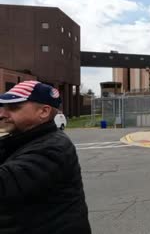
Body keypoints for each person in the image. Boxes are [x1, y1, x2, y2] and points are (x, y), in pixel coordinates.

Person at [0, 81, 91, 234]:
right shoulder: (22, 139)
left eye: (14, 108)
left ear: (43, 112)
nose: (2, 114)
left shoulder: (54, 147)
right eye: (3, 107)